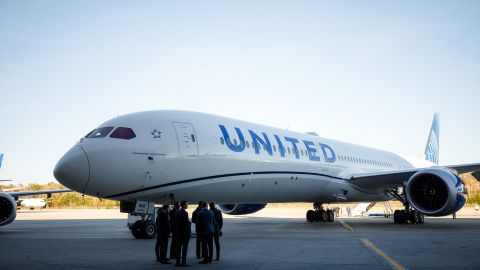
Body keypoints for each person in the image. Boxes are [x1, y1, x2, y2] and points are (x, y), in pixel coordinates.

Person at [175, 201, 191, 267]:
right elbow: (185, 224)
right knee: (184, 249)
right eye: (187, 204)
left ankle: (177, 262)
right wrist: (189, 224)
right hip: (184, 234)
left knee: (178, 248)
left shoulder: (177, 212)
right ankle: (183, 262)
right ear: (184, 205)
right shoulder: (185, 213)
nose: (187, 206)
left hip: (178, 233)